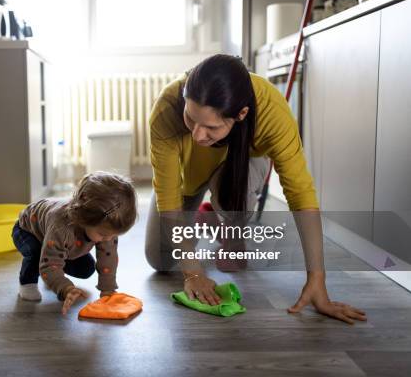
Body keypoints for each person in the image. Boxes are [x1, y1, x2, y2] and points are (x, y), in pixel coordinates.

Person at [146, 54, 366, 324]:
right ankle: (212, 216)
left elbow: (300, 194)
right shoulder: (166, 107)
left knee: (231, 200)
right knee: (159, 260)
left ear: (241, 114)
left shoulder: (272, 110)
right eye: (191, 120)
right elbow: (168, 198)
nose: (197, 135)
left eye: (211, 127)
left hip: (239, 170)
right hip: (187, 177)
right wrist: (193, 274)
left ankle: (230, 225)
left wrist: (317, 280)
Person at [13, 172, 138, 315]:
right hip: (27, 231)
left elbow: (108, 258)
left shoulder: (106, 229)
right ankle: (27, 282)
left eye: (114, 235)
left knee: (86, 269)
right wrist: (65, 288)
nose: (108, 238)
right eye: (103, 235)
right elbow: (49, 262)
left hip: (57, 240)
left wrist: (108, 290)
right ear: (84, 220)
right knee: (37, 253)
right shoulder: (61, 228)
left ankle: (53, 276)